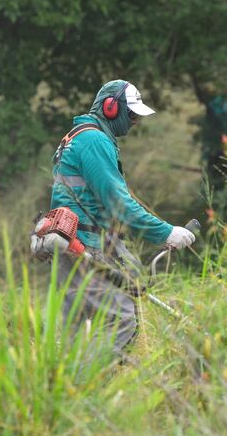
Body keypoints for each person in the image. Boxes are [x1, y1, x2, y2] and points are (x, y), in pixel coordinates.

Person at [49, 79, 196, 358]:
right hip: (85, 246)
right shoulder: (94, 141)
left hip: (73, 244)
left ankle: (64, 395)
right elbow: (119, 205)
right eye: (131, 115)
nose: (135, 122)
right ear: (110, 107)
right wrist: (165, 232)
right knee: (123, 321)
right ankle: (83, 389)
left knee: (77, 333)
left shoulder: (77, 137)